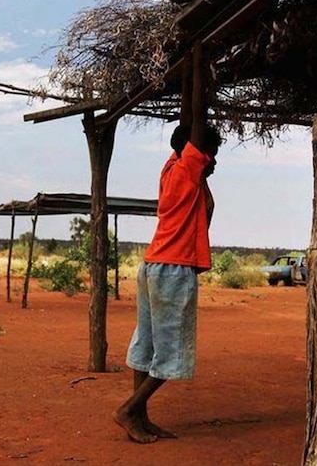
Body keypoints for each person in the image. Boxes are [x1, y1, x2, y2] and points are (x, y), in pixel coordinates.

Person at [112, 122, 221, 444]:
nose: (215, 162)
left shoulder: (172, 168)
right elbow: (195, 120)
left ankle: (140, 416)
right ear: (199, 152)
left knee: (146, 343)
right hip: (174, 269)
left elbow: (208, 207)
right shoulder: (187, 167)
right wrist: (199, 73)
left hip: (154, 265)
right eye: (212, 155)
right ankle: (130, 410)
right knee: (172, 351)